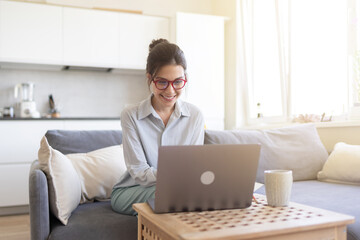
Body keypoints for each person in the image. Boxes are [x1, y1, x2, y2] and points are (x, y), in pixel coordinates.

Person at [111, 39, 205, 215]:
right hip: (131, 191)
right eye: (162, 82)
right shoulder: (131, 116)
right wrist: (180, 182)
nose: (170, 91)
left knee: (187, 197)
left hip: (179, 191)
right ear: (150, 79)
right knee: (176, 196)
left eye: (178, 82)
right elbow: (139, 172)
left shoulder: (195, 116)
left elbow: (193, 167)